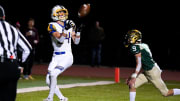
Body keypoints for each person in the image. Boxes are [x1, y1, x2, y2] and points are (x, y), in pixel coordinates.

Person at [124, 29, 180, 101]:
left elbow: (139, 63)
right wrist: (131, 77)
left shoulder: (135, 47)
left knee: (166, 93)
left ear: (134, 38)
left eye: (129, 37)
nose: (128, 39)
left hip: (152, 72)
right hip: (148, 71)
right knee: (132, 85)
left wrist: (134, 76)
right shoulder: (143, 45)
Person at [44, 5, 81, 101]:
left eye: (63, 12)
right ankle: (62, 98)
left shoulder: (69, 24)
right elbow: (60, 40)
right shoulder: (52, 25)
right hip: (56, 56)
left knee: (53, 74)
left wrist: (78, 32)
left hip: (67, 56)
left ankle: (49, 98)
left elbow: (76, 42)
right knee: (48, 80)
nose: (62, 14)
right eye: (60, 12)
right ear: (54, 14)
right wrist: (66, 29)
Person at [0, 5, 31, 101]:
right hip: (13, 66)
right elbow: (28, 48)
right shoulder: (13, 29)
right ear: (4, 17)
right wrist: (19, 63)